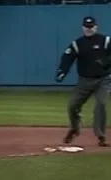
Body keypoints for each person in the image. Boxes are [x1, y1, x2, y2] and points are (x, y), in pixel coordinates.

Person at [55, 16, 111, 147]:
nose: (89, 29)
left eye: (91, 27)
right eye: (86, 26)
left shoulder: (105, 41)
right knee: (72, 106)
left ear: (96, 27)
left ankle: (100, 135)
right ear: (82, 28)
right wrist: (62, 71)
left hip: (103, 80)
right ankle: (74, 129)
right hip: (84, 81)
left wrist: (107, 62)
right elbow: (67, 57)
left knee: (101, 104)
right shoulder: (77, 44)